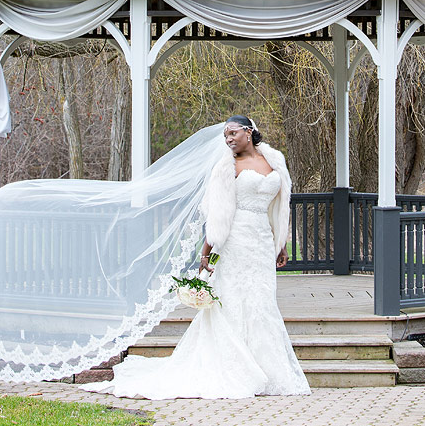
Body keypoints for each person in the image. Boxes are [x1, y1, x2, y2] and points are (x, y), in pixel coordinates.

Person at [82, 116, 310, 399]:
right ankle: (235, 368)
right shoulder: (226, 167)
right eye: (225, 135)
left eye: (233, 133)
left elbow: (278, 207)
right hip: (235, 239)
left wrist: (281, 243)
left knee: (261, 301)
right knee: (233, 300)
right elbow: (218, 213)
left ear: (249, 132)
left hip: (262, 241)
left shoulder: (274, 160)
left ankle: (268, 368)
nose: (228, 139)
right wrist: (206, 253)